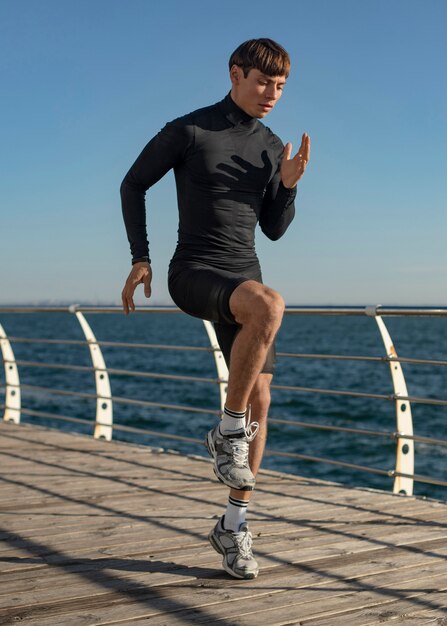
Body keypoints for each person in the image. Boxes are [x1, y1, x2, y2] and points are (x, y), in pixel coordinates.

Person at [120, 38, 310, 580]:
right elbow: (133, 184)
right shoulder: (191, 129)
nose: (271, 95)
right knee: (270, 304)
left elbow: (272, 229)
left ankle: (234, 526)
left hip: (244, 283)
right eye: (262, 83)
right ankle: (226, 432)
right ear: (235, 73)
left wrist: (290, 187)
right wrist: (141, 259)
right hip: (194, 274)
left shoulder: (272, 145)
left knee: (263, 402)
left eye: (280, 87)